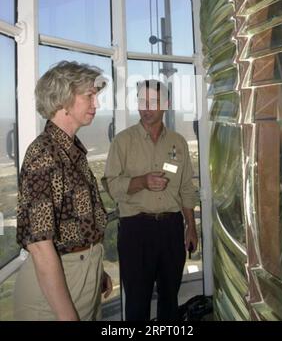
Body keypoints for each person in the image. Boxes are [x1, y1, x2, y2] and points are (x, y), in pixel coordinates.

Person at [14, 61, 112, 321]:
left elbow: (79, 222)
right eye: (89, 96)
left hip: (81, 276)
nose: (96, 104)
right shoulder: (44, 154)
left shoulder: (70, 150)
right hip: (53, 295)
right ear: (64, 99)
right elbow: (39, 245)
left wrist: (95, 270)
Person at [103, 79, 198, 321]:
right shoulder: (122, 142)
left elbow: (187, 187)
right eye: (142, 101)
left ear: (166, 104)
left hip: (171, 229)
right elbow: (112, 186)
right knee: (136, 303)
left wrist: (191, 227)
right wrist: (141, 182)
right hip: (136, 231)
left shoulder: (178, 142)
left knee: (169, 300)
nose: (146, 107)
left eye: (153, 102)